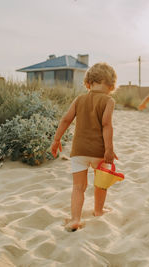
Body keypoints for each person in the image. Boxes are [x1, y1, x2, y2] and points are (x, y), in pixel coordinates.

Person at [50, 62, 118, 232]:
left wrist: (56, 140)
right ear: (111, 86)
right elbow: (106, 125)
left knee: (78, 187)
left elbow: (65, 119)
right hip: (98, 152)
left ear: (88, 83)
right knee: (100, 183)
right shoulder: (108, 100)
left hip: (78, 151)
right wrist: (109, 149)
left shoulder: (79, 99)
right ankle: (98, 210)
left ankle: (75, 219)